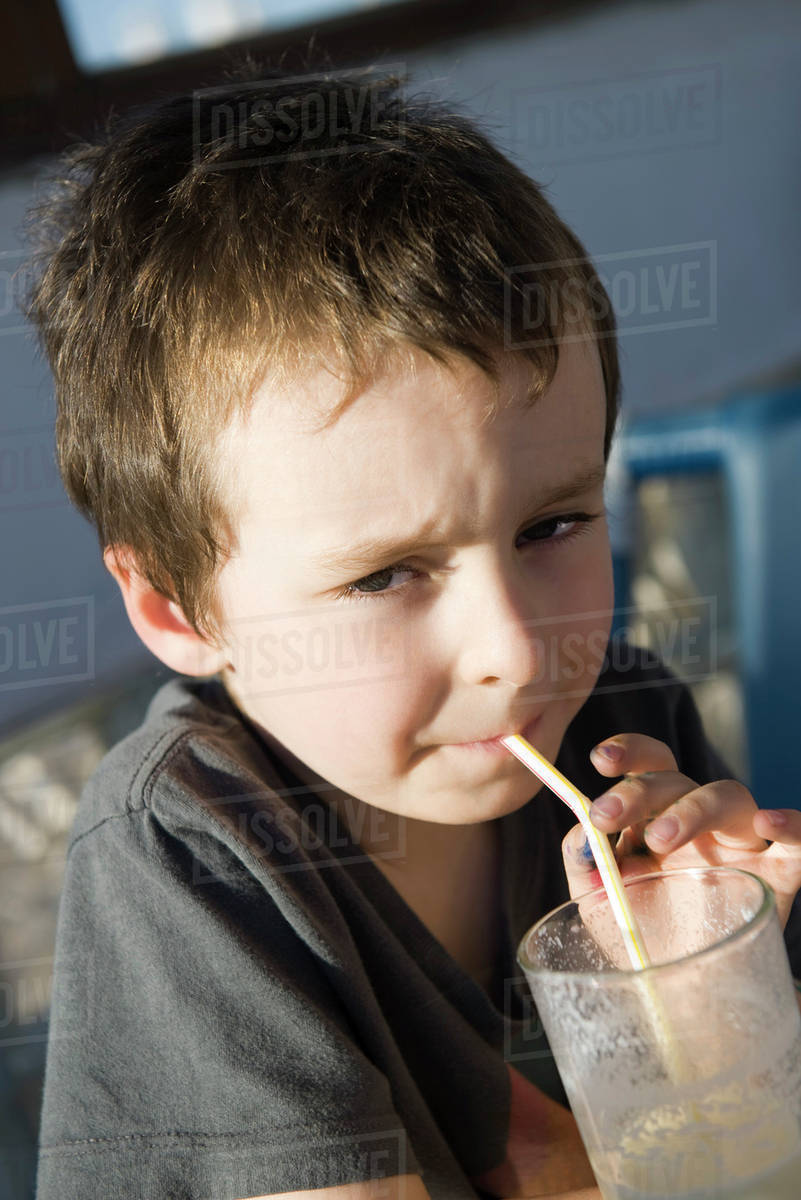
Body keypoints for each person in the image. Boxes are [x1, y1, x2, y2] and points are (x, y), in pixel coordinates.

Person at [25, 54, 801, 1200]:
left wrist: (710, 983)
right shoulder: (192, 855)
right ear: (176, 610)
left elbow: (728, 1146)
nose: (520, 654)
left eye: (553, 525)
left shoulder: (624, 724)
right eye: (387, 575)